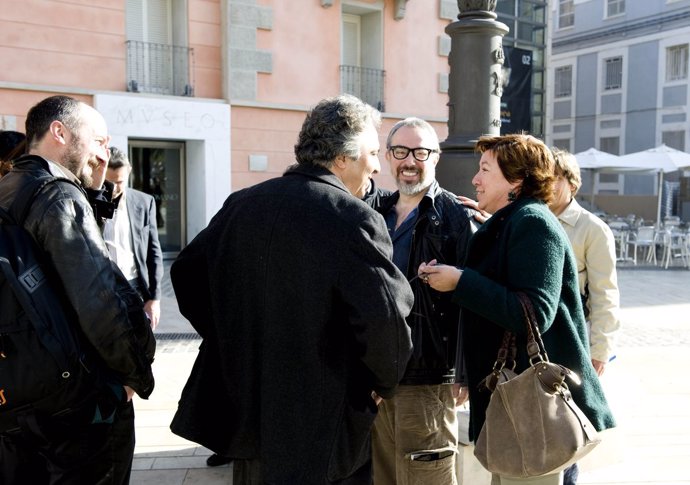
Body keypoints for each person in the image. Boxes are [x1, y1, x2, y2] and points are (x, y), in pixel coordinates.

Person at [169, 94, 414, 485]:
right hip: (324, 419)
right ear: (342, 159)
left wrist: (231, 336)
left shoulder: (243, 204)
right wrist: (385, 382)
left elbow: (186, 273)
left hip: (249, 412)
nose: (377, 164)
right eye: (371, 152)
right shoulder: (353, 218)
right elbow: (384, 319)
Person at [418, 133, 615, 485]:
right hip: (515, 406)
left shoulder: (533, 223)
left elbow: (535, 312)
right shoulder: (512, 221)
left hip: (531, 409)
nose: (475, 179)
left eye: (485, 170)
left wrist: (460, 282)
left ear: (517, 181)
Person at [0, 95, 154, 484]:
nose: (104, 152)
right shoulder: (58, 195)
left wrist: (94, 193)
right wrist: (133, 378)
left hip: (22, 389)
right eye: (99, 140)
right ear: (60, 132)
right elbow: (99, 298)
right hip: (76, 404)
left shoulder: (12, 186)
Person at [369, 117, 477, 485]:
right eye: (401, 151)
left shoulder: (456, 216)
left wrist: (462, 373)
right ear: (388, 156)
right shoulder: (374, 213)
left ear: (437, 156)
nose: (409, 161)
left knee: (426, 475)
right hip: (377, 373)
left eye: (420, 151)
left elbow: (471, 302)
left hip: (427, 375)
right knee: (382, 474)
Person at [550, 148, 621, 485]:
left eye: (557, 177)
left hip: (573, 344)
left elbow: (606, 295)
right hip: (538, 342)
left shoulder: (592, 229)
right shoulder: (534, 218)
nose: (549, 183)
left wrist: (600, 350)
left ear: (571, 183)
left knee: (569, 426)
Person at [104, 146, 164, 329]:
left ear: (129, 172)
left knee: (139, 344)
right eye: (109, 182)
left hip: (135, 288)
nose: (114, 188)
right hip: (103, 288)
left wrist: (154, 298)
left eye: (119, 182)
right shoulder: (88, 202)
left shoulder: (145, 202)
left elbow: (154, 252)